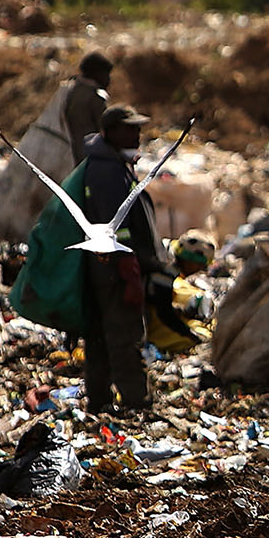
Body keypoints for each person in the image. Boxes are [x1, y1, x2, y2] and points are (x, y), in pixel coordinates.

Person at [78, 105, 174, 413]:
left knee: (101, 338)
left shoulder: (113, 164)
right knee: (124, 338)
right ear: (111, 132)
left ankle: (100, 400)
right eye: (130, 128)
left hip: (111, 268)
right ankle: (135, 402)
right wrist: (129, 266)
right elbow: (112, 227)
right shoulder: (106, 171)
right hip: (115, 269)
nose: (137, 133)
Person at [63, 51, 113, 150]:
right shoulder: (95, 96)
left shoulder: (71, 90)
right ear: (96, 73)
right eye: (106, 74)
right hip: (90, 150)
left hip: (69, 148)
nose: (109, 79)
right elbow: (106, 130)